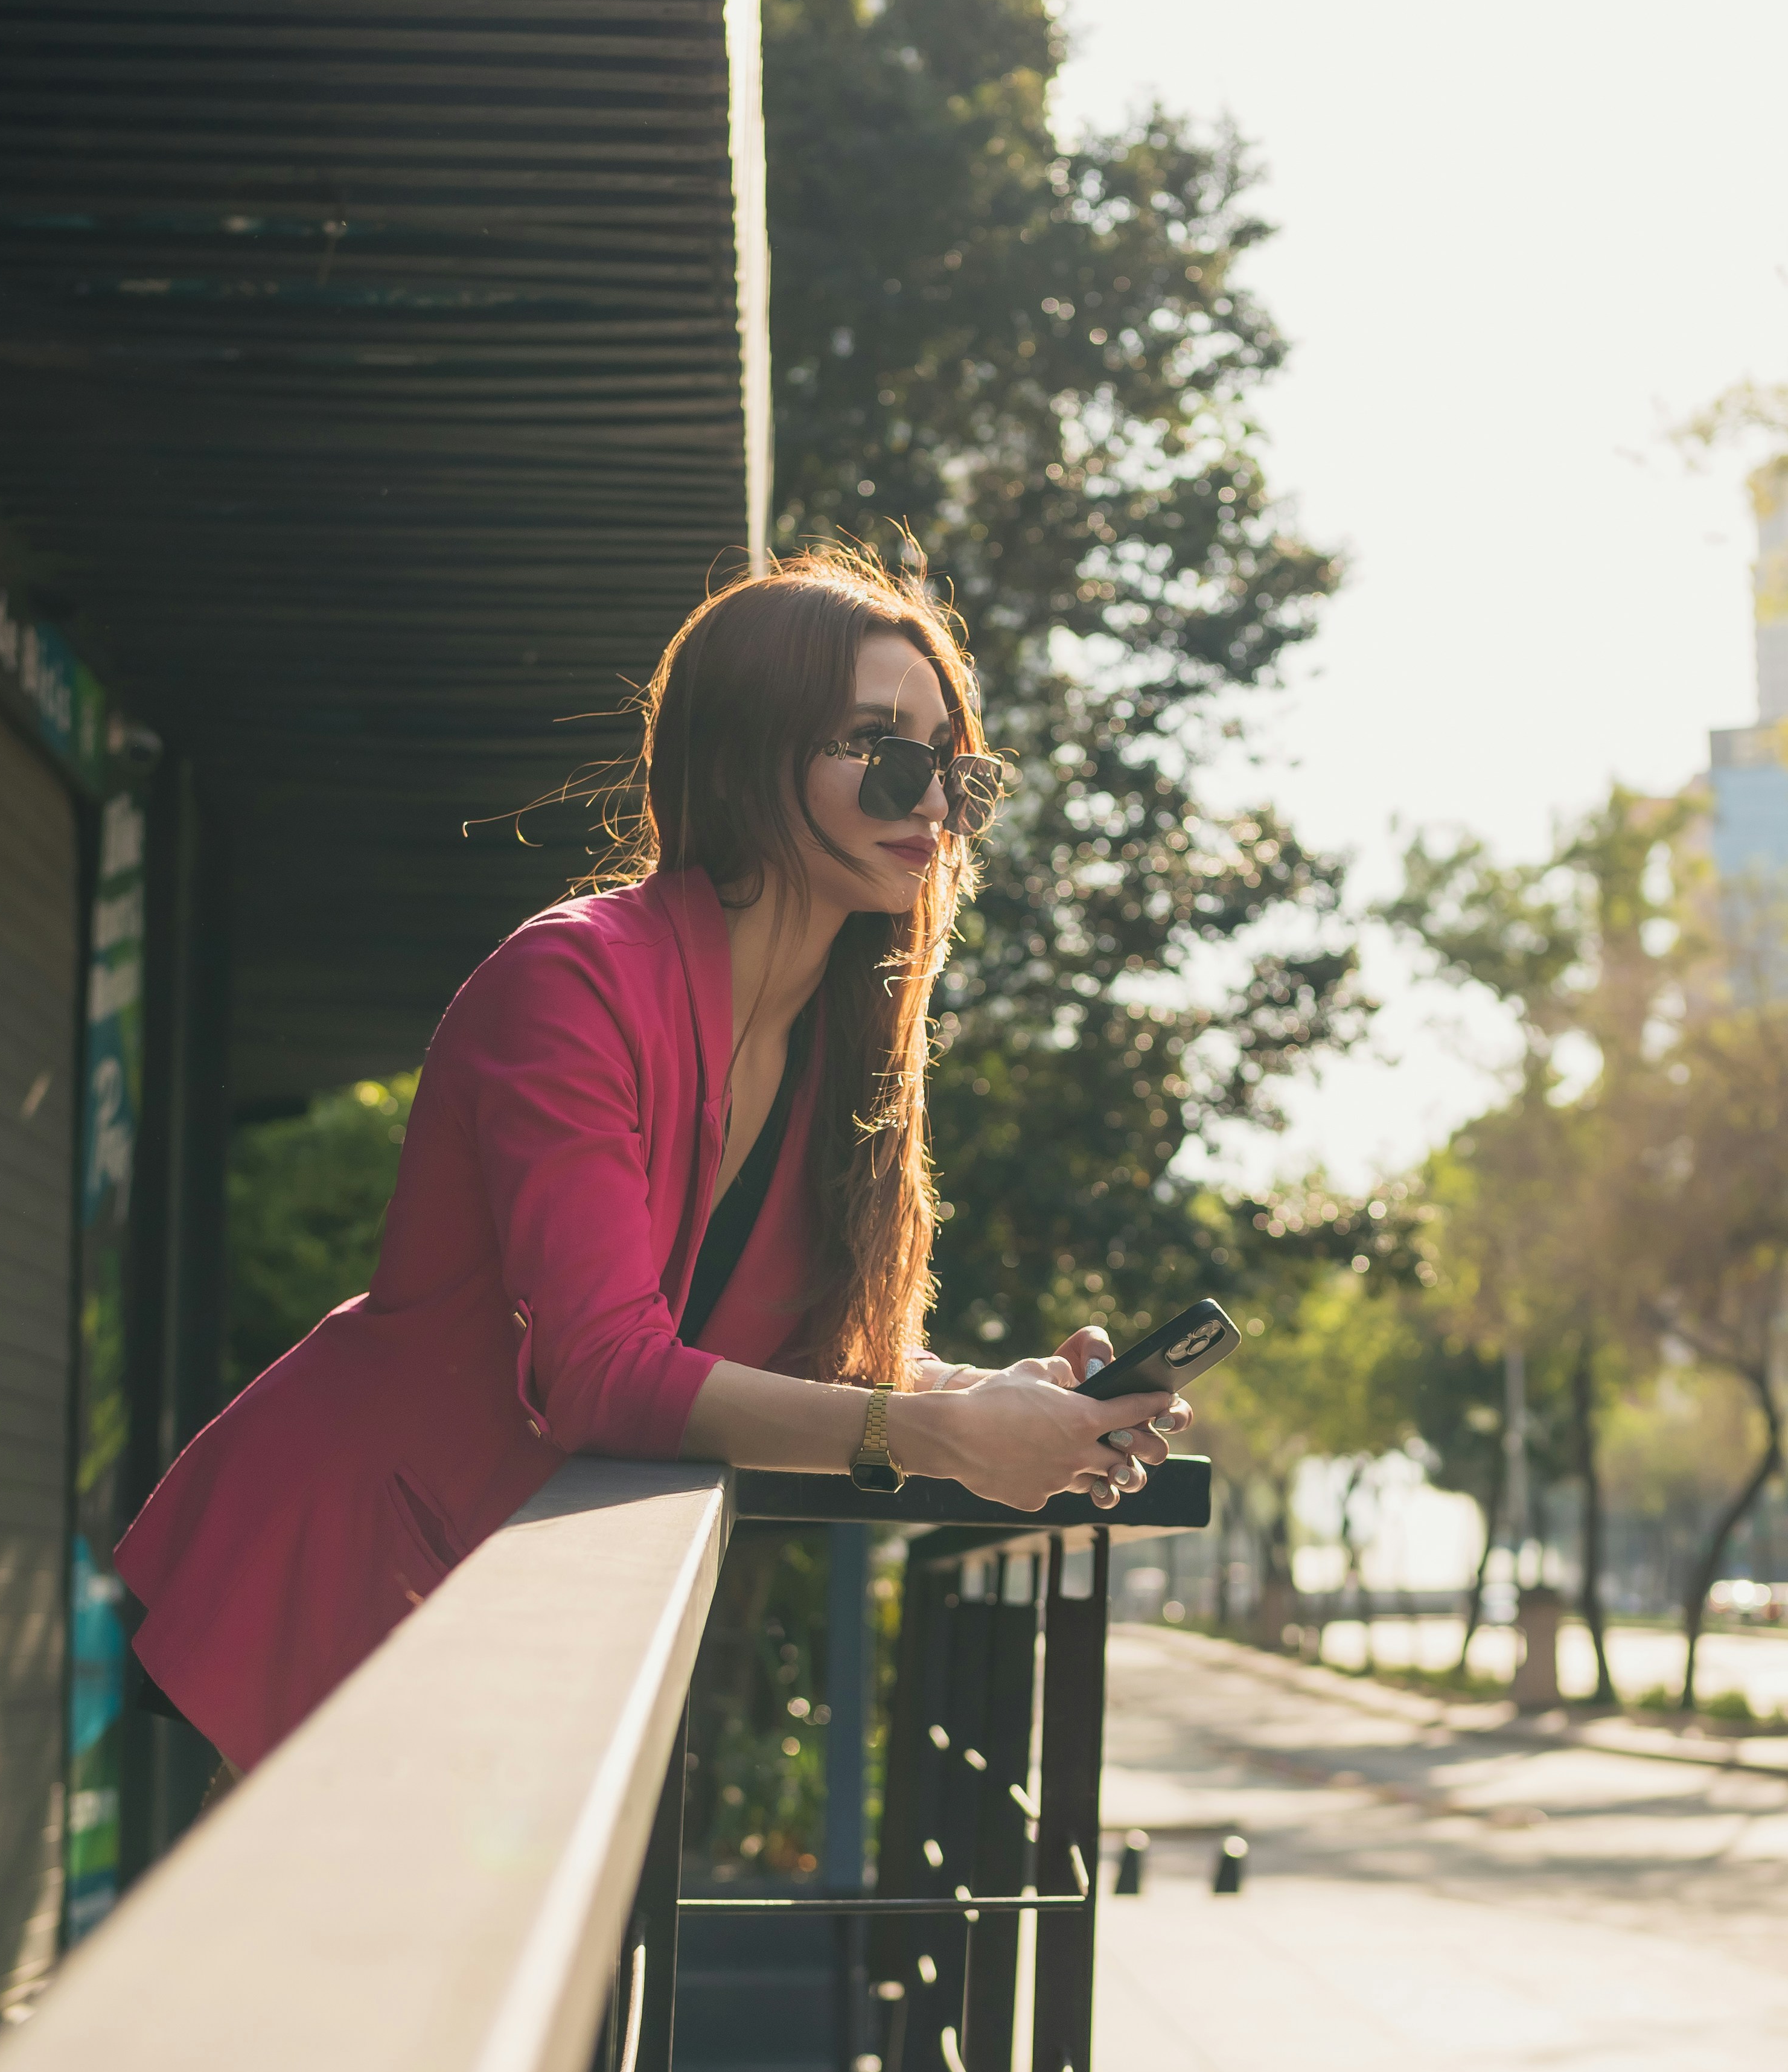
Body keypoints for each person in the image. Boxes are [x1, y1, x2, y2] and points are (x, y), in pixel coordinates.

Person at [116, 550, 1187, 1774]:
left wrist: (992, 1402)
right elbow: (602, 1371)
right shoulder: (571, 980)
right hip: (341, 1564)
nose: (931, 804)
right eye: (883, 749)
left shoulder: (840, 1042)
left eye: (952, 767)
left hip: (513, 1603)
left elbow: (765, 1361)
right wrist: (939, 1441)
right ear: (743, 751)